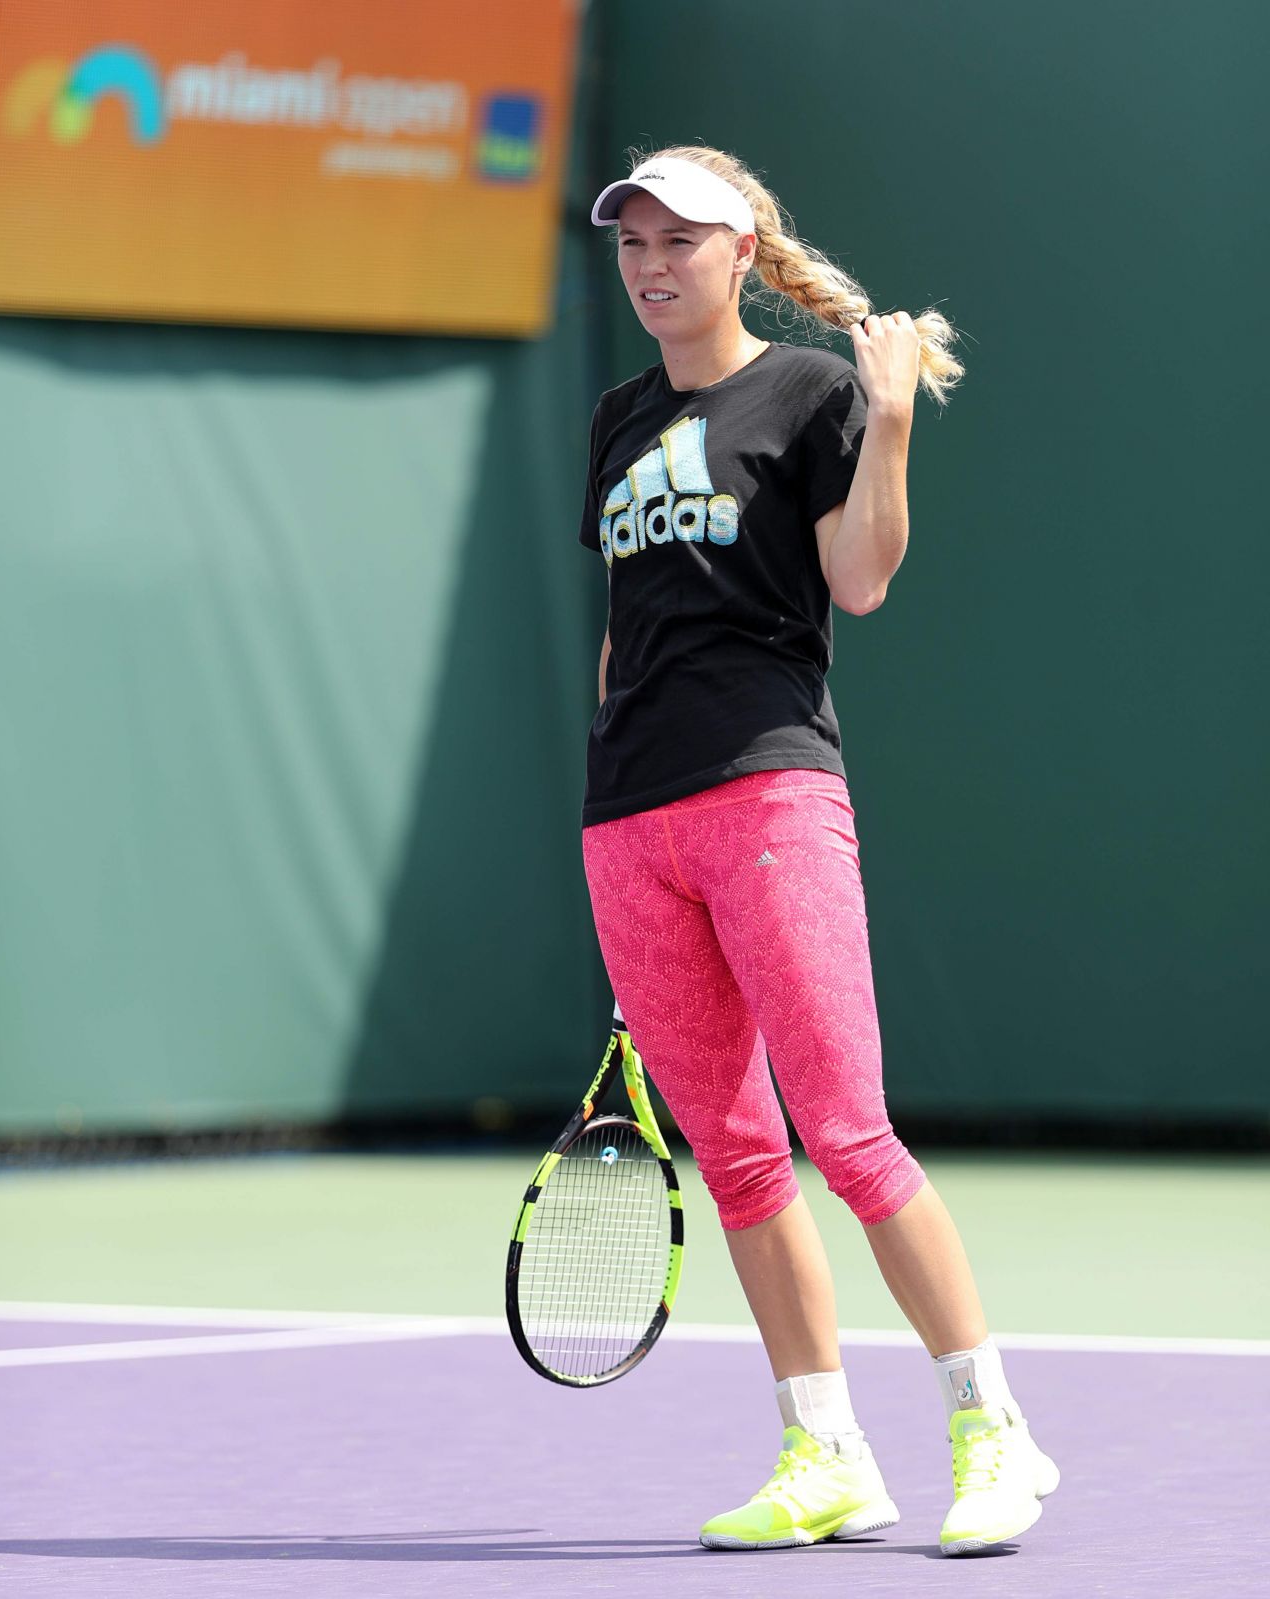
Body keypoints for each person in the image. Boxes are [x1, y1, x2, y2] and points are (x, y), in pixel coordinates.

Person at [577, 146, 1059, 1557]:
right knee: (736, 1157)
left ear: (744, 252)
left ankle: (994, 1430)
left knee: (844, 1132)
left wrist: (894, 420)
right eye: (633, 241)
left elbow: (861, 576)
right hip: (630, 825)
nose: (653, 263)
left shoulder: (814, 392)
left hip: (770, 797)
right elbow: (628, 630)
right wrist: (620, 857)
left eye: (681, 239)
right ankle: (825, 1453)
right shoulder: (611, 419)